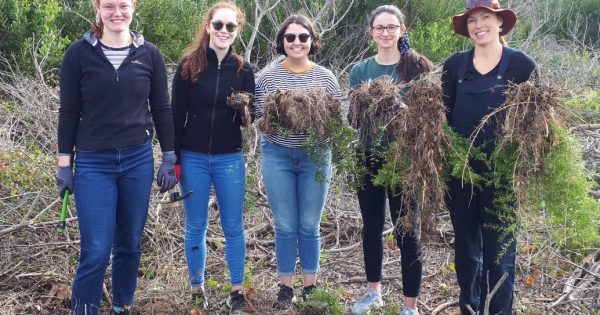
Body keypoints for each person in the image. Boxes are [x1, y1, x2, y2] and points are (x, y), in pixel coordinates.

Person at [56, 0, 177, 314]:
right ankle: (84, 310)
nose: (116, 12)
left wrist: (169, 156)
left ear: (134, 6)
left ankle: (123, 305)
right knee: (95, 250)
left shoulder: (149, 54)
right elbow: (69, 112)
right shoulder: (78, 54)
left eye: (123, 5)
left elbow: (162, 108)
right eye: (108, 5)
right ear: (97, 7)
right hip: (94, 163)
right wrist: (64, 164)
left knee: (129, 244)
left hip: (137, 160)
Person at [442, 1, 537, 314]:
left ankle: (499, 310)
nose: (478, 24)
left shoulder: (521, 65)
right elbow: (444, 116)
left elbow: (534, 122)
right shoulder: (454, 65)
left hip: (503, 174)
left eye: (485, 17)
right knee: (467, 249)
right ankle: (469, 307)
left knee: (500, 252)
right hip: (461, 173)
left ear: (500, 23)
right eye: (472, 19)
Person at [347, 5, 434, 315]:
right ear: (371, 32)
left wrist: (400, 108)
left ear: (402, 30)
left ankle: (409, 305)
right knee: (371, 227)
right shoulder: (360, 70)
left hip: (404, 158)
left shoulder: (417, 67)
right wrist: (369, 105)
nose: (385, 32)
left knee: (406, 229)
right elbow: (353, 120)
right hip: (367, 156)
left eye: (391, 27)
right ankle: (373, 292)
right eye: (379, 28)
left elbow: (428, 119)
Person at [170, 1, 254, 314]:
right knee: (195, 226)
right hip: (192, 157)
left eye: (230, 26)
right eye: (218, 25)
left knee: (233, 226)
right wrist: (173, 159)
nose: (223, 31)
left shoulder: (244, 70)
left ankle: (236, 292)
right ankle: (197, 289)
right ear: (208, 27)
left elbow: (252, 118)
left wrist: (244, 109)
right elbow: (175, 115)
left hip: (229, 158)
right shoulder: (188, 66)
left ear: (237, 31)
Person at [254, 14, 341, 310]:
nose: (296, 42)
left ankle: (311, 287)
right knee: (285, 225)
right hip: (277, 154)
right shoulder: (267, 77)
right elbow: (257, 117)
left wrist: (315, 121)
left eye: (303, 37)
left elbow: (336, 121)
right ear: (282, 42)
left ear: (312, 41)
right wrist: (279, 118)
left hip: (315, 157)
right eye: (290, 37)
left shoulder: (325, 77)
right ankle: (285, 287)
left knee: (308, 224)